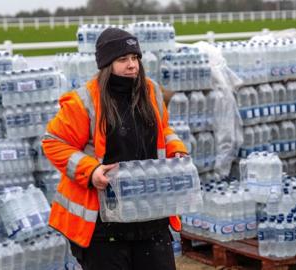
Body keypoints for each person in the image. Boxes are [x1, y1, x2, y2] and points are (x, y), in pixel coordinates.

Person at [42, 27, 188, 270]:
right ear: (107, 64)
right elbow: (54, 142)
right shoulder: (84, 101)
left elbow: (164, 131)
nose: (132, 65)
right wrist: (91, 171)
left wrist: (176, 151)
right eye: (123, 59)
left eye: (135, 58)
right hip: (104, 226)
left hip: (150, 216)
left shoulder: (150, 91)